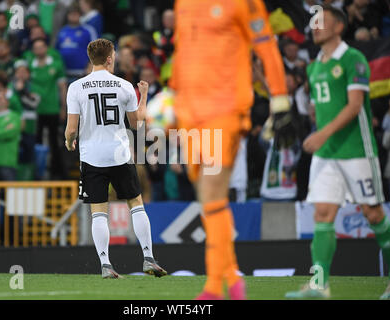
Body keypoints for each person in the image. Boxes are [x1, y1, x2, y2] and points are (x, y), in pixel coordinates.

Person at [172, 0, 296, 300]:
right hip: (190, 113)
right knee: (207, 199)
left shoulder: (245, 3)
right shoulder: (183, 4)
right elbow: (183, 54)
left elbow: (266, 46)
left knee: (213, 192)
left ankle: (214, 288)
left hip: (225, 108)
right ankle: (233, 279)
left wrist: (279, 99)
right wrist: (173, 102)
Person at [285, 5, 390, 300]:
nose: (315, 26)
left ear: (338, 27)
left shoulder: (353, 58)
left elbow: (355, 105)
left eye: (322, 22)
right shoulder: (315, 65)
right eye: (314, 22)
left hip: (357, 150)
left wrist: (321, 133)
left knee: (373, 214)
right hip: (328, 153)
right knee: (322, 214)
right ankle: (319, 284)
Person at [64, 38, 167, 279]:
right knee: (136, 204)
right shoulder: (123, 86)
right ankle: (148, 257)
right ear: (110, 58)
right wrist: (143, 96)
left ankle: (105, 264)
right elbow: (137, 124)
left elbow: (71, 129)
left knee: (99, 212)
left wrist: (70, 143)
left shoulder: (76, 87)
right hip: (119, 154)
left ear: (91, 59)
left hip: (91, 157)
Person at [29, 38, 67, 179]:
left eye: (41, 47)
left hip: (52, 110)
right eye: (36, 47)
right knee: (36, 143)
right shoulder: (30, 66)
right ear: (33, 51)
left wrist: (64, 108)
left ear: (46, 48)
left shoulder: (56, 64)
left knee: (54, 143)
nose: (39, 50)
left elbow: (63, 87)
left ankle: (59, 174)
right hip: (36, 112)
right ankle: (37, 174)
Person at [55, 4, 93, 83]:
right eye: (71, 14)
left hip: (82, 73)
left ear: (80, 15)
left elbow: (96, 50)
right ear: (67, 16)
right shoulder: (62, 31)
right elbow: (56, 51)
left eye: (75, 14)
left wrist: (90, 66)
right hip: (64, 73)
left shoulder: (88, 30)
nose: (73, 16)